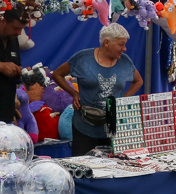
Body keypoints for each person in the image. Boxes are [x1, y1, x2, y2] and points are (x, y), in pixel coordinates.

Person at [53, 23, 143, 156]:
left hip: (113, 128)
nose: (124, 48)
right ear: (107, 43)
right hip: (84, 127)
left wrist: (123, 100)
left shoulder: (125, 62)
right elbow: (57, 75)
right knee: (83, 165)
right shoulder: (82, 59)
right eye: (121, 44)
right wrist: (74, 93)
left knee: (112, 165)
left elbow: (138, 81)